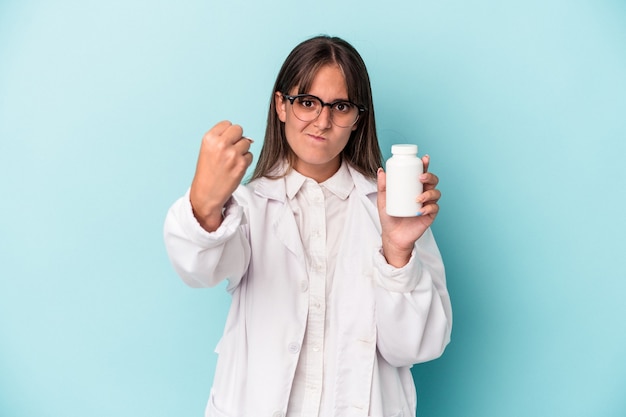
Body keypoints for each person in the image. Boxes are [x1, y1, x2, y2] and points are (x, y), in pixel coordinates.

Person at [163, 35, 452, 417]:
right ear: (281, 106)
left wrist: (397, 254)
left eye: (341, 106)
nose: (323, 121)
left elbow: (415, 347)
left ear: (357, 118)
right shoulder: (248, 209)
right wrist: (204, 203)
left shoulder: (393, 211)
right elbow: (197, 268)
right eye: (307, 102)